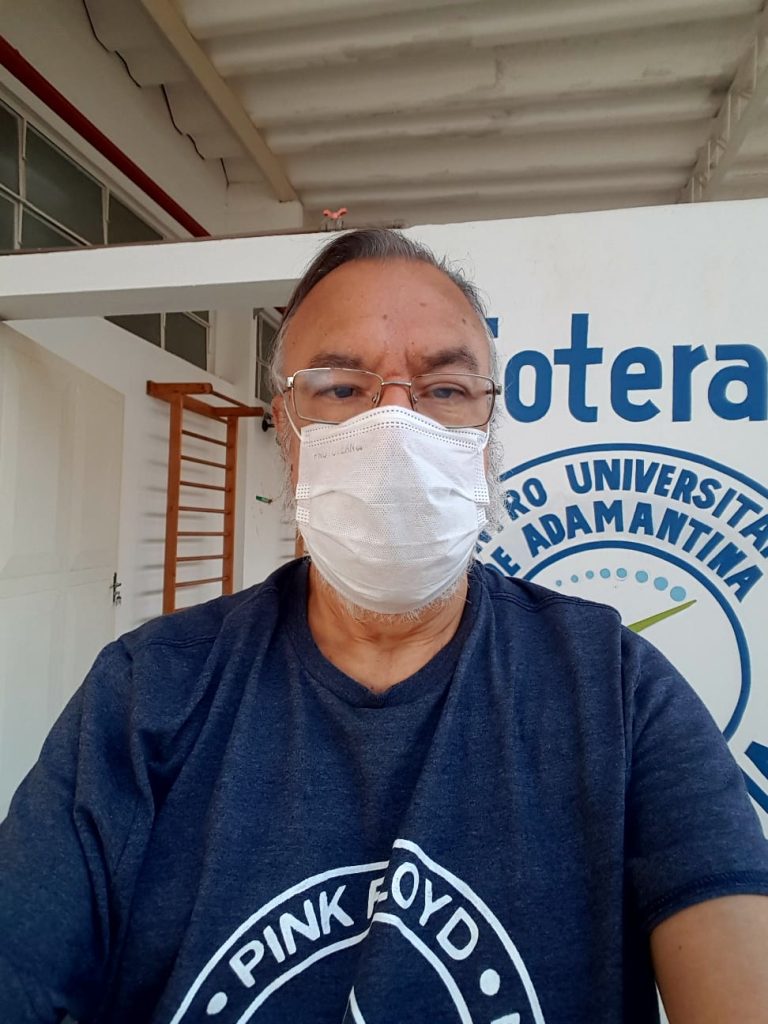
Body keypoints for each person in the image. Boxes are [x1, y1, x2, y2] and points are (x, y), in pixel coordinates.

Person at [1, 229, 767, 1024]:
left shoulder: (618, 695)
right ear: (286, 429)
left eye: (445, 389)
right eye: (340, 388)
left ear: (487, 435)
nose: (395, 429)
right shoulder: (146, 696)